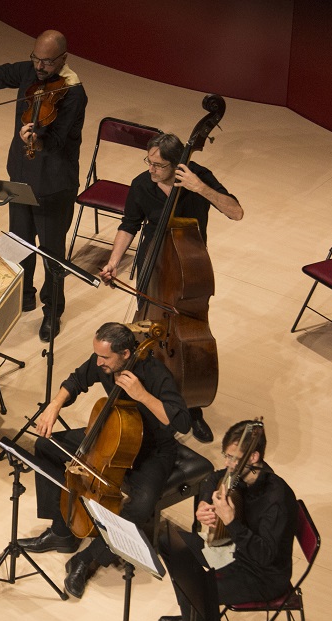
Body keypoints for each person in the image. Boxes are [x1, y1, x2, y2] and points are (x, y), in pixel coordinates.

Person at [17, 322, 190, 598]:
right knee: (46, 446)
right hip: (112, 434)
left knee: (141, 505)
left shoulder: (156, 374)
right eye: (97, 355)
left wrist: (142, 395)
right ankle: (62, 532)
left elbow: (181, 421)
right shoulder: (105, 361)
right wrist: (54, 406)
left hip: (153, 450)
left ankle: (88, 560)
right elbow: (76, 380)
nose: (98, 362)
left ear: (125, 353)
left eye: (104, 357)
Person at [100, 132, 244, 444]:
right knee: (149, 331)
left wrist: (200, 188)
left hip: (186, 271)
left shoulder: (199, 178)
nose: (151, 170)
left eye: (159, 165)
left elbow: (236, 212)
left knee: (186, 338)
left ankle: (191, 407)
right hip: (152, 266)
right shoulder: (142, 184)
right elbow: (128, 225)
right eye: (148, 162)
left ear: (177, 164)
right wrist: (113, 261)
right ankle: (151, 396)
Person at [155, 420, 297, 621]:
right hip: (233, 553)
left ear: (253, 458)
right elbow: (212, 478)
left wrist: (231, 522)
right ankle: (202, 620)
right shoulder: (239, 475)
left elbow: (265, 556)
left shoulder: (276, 498)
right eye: (227, 456)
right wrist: (205, 505)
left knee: (194, 589)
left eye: (234, 457)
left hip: (263, 576)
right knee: (170, 541)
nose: (228, 463)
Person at [0, 30, 88, 342]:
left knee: (51, 253)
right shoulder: (28, 71)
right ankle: (25, 294)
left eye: (47, 62)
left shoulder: (73, 93)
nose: (40, 66)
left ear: (63, 59)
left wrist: (37, 139)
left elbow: (60, 140)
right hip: (21, 176)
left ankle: (52, 311)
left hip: (53, 185)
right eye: (36, 58)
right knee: (19, 244)